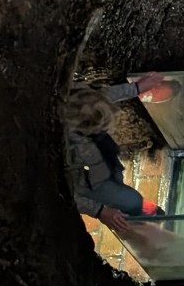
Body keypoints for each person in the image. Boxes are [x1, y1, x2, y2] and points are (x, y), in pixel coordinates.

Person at [65, 90, 164, 232]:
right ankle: (133, 220)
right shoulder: (60, 150)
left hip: (91, 165)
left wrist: (136, 87)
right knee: (131, 201)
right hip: (75, 181)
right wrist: (99, 211)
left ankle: (127, 203)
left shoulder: (74, 109)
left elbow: (100, 98)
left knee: (111, 161)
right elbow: (59, 191)